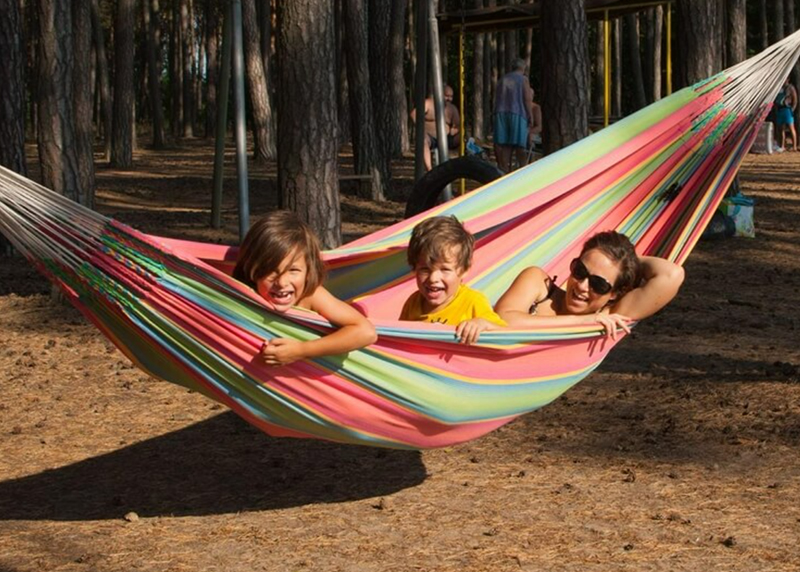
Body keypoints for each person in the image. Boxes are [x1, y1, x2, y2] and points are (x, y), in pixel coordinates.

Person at [233, 210, 377, 365]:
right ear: (251, 269)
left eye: (293, 270)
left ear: (309, 271)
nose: (282, 282)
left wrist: (301, 351)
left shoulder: (310, 296)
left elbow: (366, 332)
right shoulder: (240, 293)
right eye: (270, 271)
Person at [494, 231, 684, 339]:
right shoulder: (538, 283)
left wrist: (626, 261)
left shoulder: (611, 315)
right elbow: (501, 321)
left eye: (598, 284)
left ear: (615, 293)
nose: (583, 286)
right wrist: (583, 321)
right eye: (580, 271)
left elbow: (671, 274)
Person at [400, 216, 506, 344]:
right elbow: (401, 339)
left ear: (463, 270)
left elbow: (505, 334)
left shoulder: (472, 302)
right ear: (414, 268)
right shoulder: (413, 303)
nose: (433, 278)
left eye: (445, 269)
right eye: (425, 269)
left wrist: (482, 324)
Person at [494, 58, 534, 173]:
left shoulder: (503, 79)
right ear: (523, 68)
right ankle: (523, 171)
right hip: (517, 113)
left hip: (501, 114)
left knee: (506, 145)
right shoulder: (523, 80)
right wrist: (529, 114)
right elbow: (527, 99)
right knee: (520, 146)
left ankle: (504, 170)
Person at [410, 85, 461, 171]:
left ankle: (461, 167)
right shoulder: (428, 103)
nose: (449, 99)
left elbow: (458, 125)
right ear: (440, 94)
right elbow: (413, 114)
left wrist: (455, 130)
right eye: (446, 96)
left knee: (463, 138)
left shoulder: (452, 109)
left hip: (447, 138)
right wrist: (421, 128)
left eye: (451, 96)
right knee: (423, 141)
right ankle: (430, 169)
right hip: (430, 138)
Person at [774, 78, 798, 151]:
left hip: (787, 109)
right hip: (780, 109)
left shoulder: (790, 88)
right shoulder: (779, 88)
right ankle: (782, 145)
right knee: (781, 128)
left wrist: (792, 109)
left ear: (787, 79)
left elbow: (795, 99)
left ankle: (794, 146)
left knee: (791, 127)